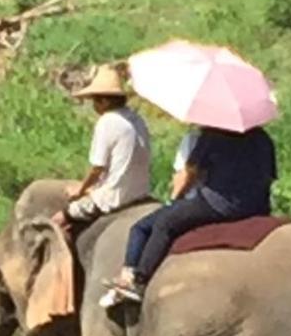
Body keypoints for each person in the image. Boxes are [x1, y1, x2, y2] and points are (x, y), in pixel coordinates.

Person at [103, 125, 277, 306]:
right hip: (257, 207)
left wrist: (174, 199)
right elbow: (270, 176)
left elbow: (191, 171)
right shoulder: (263, 137)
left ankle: (139, 280)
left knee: (165, 223)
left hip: (218, 205)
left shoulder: (213, 135)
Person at [53, 66, 152, 234]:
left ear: (104, 102)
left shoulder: (108, 121)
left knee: (58, 220)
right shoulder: (137, 119)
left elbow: (97, 168)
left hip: (114, 197)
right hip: (139, 191)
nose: (94, 106)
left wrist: (81, 190)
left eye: (95, 101)